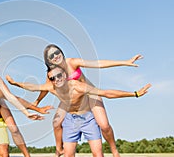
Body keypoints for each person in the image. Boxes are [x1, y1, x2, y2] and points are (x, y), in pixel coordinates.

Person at [8, 44, 144, 157]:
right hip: (71, 98)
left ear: (61, 52)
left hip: (89, 94)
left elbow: (98, 64)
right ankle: (59, 149)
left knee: (104, 125)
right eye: (51, 56)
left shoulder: (71, 62)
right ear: (48, 61)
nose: (56, 56)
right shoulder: (53, 74)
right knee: (56, 122)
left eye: (57, 52)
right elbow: (43, 88)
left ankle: (114, 150)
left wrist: (124, 62)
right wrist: (36, 101)